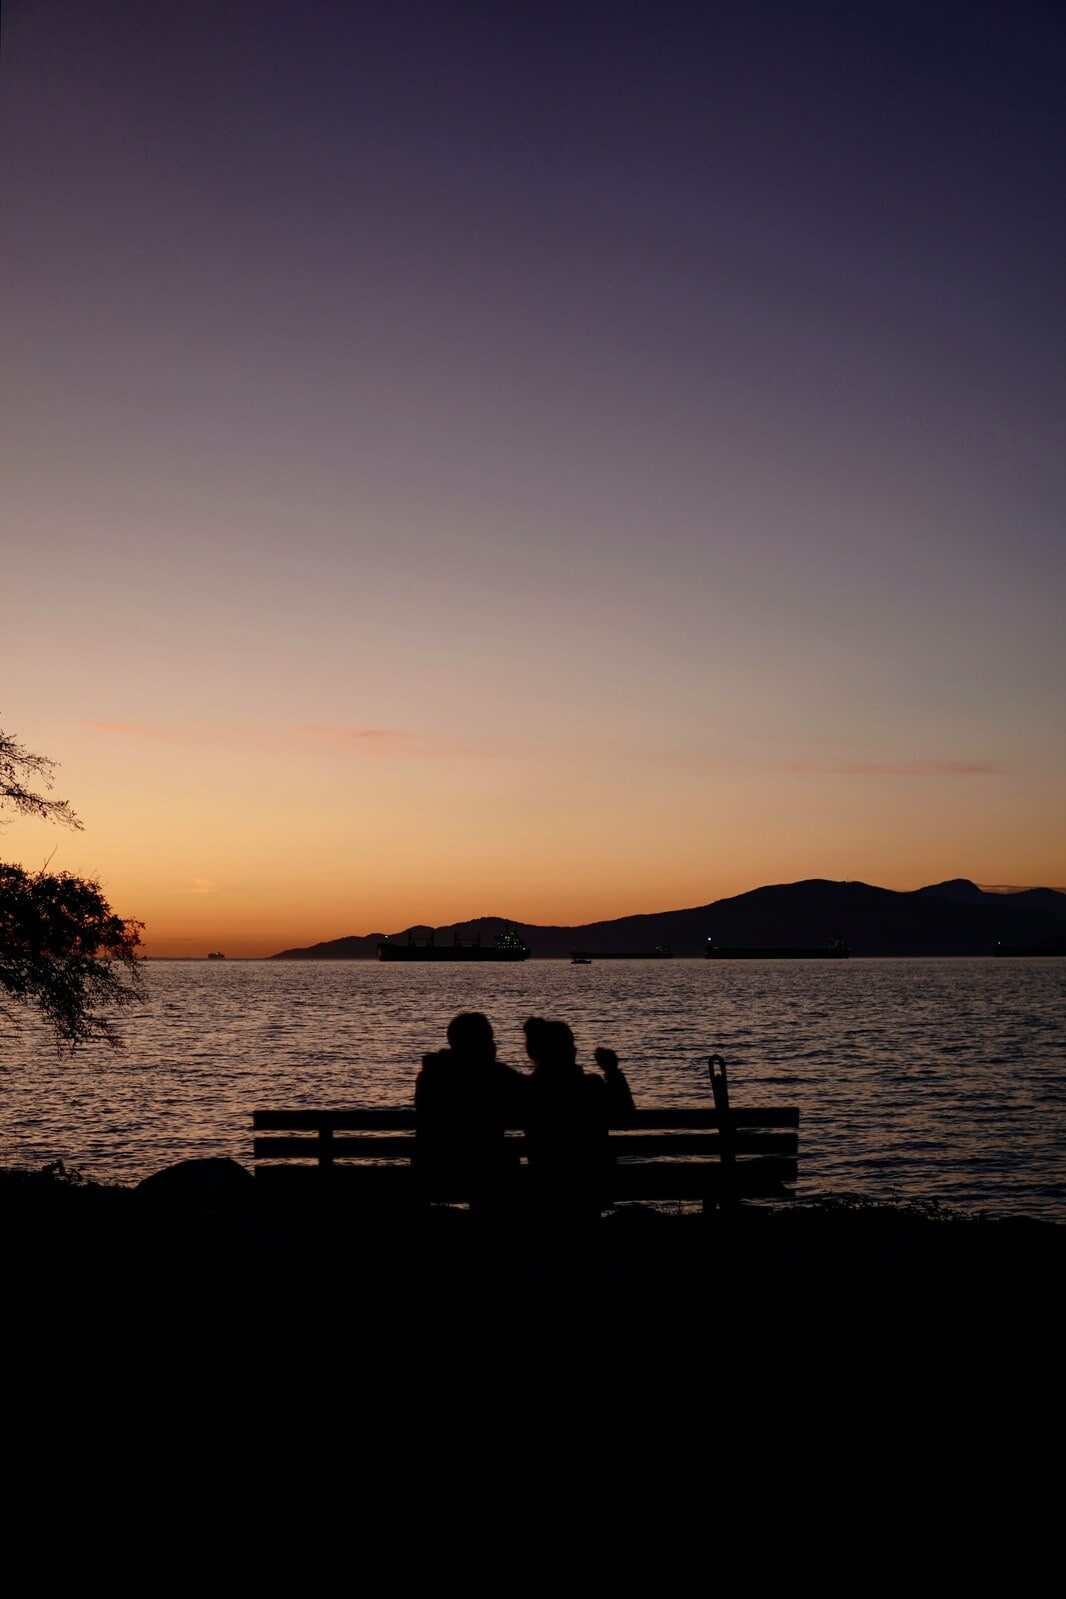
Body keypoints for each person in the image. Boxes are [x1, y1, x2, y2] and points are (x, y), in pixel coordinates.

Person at [521, 1017, 634, 1236]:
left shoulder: (529, 1089)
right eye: (571, 1044)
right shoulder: (591, 1085)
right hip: (591, 1182)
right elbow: (626, 1115)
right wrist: (612, 1071)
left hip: (545, 1181)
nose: (576, 1048)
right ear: (564, 1051)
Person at [414, 1012, 527, 1216]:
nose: (494, 1045)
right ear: (482, 1042)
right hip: (486, 1172)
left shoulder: (431, 1074)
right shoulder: (495, 1074)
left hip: (433, 1172)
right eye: (489, 1039)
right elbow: (534, 1093)